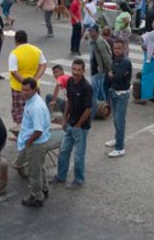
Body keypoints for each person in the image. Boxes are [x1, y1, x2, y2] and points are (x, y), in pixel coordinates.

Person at [51, 58, 92, 188]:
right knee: (63, 151)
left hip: (81, 127)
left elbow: (88, 109)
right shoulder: (69, 82)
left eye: (79, 70)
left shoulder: (86, 87)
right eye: (74, 69)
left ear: (83, 71)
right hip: (70, 123)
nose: (75, 72)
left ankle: (78, 180)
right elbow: (68, 100)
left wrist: (79, 125)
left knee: (78, 156)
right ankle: (61, 176)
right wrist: (64, 119)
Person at [17, 78, 51, 207]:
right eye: (22, 89)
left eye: (27, 90)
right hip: (38, 141)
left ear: (34, 89)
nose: (24, 93)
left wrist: (28, 142)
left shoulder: (36, 106)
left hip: (36, 143)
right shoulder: (32, 100)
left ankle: (36, 196)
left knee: (34, 171)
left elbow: (38, 131)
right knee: (39, 167)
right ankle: (44, 188)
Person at [8, 31, 48, 124]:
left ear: (15, 41)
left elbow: (14, 71)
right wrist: (35, 79)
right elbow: (43, 64)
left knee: (20, 112)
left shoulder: (14, 53)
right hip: (34, 87)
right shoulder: (36, 50)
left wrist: (25, 83)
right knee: (34, 111)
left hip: (19, 88)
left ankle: (22, 134)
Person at [106, 40, 132, 157]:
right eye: (115, 48)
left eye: (119, 48)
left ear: (123, 49)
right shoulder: (115, 59)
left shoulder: (125, 61)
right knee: (116, 119)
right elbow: (112, 74)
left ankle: (120, 147)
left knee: (119, 121)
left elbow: (119, 77)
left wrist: (112, 75)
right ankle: (117, 139)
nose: (116, 50)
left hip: (122, 94)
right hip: (114, 92)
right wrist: (111, 75)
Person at [88, 24, 113, 120]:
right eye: (89, 31)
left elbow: (106, 58)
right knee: (100, 91)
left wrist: (109, 70)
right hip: (97, 71)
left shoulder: (99, 42)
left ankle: (92, 114)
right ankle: (105, 107)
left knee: (94, 92)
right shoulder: (94, 41)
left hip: (98, 71)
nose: (90, 33)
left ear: (97, 32)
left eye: (92, 31)